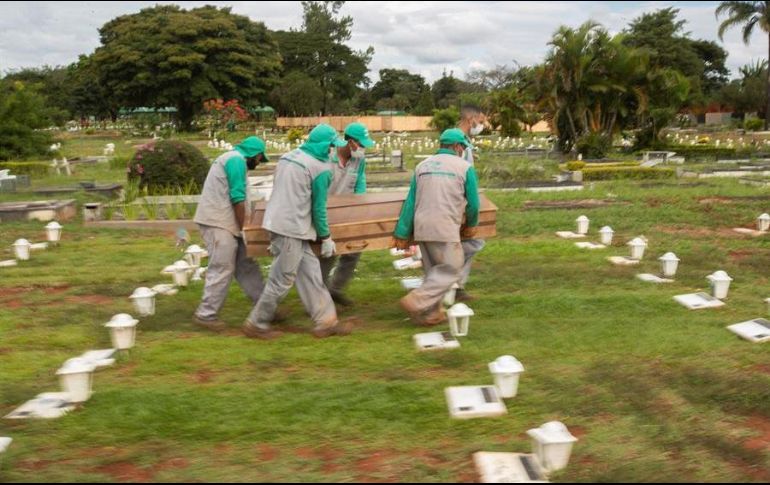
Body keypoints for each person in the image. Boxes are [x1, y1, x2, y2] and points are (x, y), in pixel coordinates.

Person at [243, 124, 353, 339]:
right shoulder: (320, 169)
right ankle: (256, 323)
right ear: (323, 145)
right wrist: (326, 237)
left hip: (279, 221)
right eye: (330, 146)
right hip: (292, 229)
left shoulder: (288, 157)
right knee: (281, 280)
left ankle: (326, 322)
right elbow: (318, 208)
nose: (331, 151)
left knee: (311, 275)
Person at [392, 128, 481, 325]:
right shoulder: (464, 167)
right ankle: (417, 299)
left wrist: (402, 231)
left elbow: (411, 201)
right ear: (458, 147)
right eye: (463, 148)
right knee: (452, 268)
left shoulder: (422, 166)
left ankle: (432, 314)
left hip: (422, 227)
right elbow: (474, 203)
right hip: (445, 226)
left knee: (433, 273)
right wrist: (472, 225)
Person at [193, 136, 268, 331]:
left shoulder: (234, 160)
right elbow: (237, 197)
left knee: (246, 264)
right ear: (255, 154)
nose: (259, 163)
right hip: (218, 223)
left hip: (227, 222)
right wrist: (245, 229)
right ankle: (206, 314)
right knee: (222, 266)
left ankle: (266, 308)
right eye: (260, 158)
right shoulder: (235, 160)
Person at [319, 122, 375, 306]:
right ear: (350, 142)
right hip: (325, 212)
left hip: (349, 211)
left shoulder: (359, 160)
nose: (363, 148)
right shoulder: (327, 158)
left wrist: (360, 206)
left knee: (354, 250)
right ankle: (318, 296)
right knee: (328, 254)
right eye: (361, 144)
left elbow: (360, 183)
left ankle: (335, 290)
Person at [455, 105, 488, 301]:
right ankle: (449, 279)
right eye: (481, 122)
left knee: (470, 241)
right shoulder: (458, 143)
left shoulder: (464, 141)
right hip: (458, 201)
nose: (482, 125)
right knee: (473, 241)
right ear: (471, 120)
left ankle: (455, 284)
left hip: (463, 199)